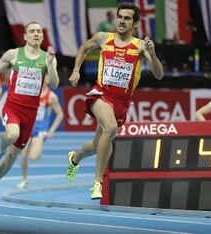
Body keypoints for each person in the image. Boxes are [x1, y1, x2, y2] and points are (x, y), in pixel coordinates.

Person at [66, 2, 164, 200]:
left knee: (96, 146)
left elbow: (158, 74)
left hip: (122, 101)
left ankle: (75, 158)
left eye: (127, 18)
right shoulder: (103, 38)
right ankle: (97, 182)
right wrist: (76, 70)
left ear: (135, 23)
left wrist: (152, 54)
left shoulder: (140, 46)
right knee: (110, 129)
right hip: (101, 93)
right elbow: (84, 48)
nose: (122, 21)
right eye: (120, 17)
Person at [0, 21, 59, 203]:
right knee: (12, 134)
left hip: (31, 112)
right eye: (31, 31)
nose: (36, 34)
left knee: (13, 155)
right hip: (13, 106)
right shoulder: (14, 54)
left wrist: (51, 65)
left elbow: (54, 84)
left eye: (39, 31)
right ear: (25, 36)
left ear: (42, 36)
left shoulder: (48, 57)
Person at [17, 81, 63, 188]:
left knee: (33, 157)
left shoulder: (51, 96)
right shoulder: (31, 93)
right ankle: (25, 179)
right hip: (28, 128)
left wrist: (52, 130)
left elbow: (60, 114)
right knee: (23, 156)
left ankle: (37, 146)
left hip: (40, 130)